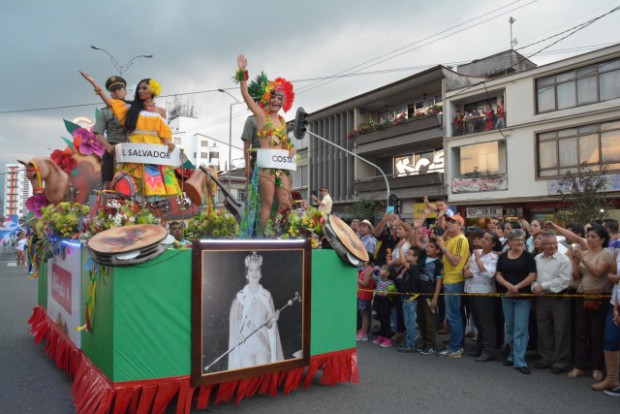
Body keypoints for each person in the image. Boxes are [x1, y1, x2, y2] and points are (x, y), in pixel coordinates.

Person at [80, 72, 181, 202]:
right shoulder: (130, 108)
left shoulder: (161, 111)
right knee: (129, 183)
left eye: (144, 88)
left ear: (153, 90)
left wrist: (169, 143)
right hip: (134, 151)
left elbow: (164, 132)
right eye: (139, 88)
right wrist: (94, 83)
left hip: (154, 152)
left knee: (156, 184)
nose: (140, 91)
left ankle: (156, 211)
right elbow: (110, 103)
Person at [236, 55, 296, 233]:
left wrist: (291, 149)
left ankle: (276, 232)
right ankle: (263, 237)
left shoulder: (283, 122)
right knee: (267, 203)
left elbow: (285, 145)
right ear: (268, 99)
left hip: (282, 167)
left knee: (284, 202)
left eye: (280, 98)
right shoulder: (260, 117)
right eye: (274, 98)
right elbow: (246, 95)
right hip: (266, 167)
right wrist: (241, 72)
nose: (276, 101)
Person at [568, 225, 613, 381]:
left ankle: (598, 367)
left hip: (598, 297)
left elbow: (598, 272)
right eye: (588, 236)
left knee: (596, 334)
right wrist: (574, 261)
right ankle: (579, 366)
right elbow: (576, 275)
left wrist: (582, 259)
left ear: (602, 239)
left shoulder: (606, 254)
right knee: (580, 333)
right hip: (581, 295)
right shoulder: (585, 253)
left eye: (594, 236)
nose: (590, 239)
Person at [228, 252, 284, 369]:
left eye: (257, 270)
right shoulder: (240, 297)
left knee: (263, 378)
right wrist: (237, 335)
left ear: (261, 273)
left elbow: (268, 325)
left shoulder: (266, 296)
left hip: (263, 346)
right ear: (246, 275)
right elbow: (235, 324)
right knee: (248, 380)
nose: (254, 273)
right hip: (245, 346)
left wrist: (273, 319)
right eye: (251, 270)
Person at [495, 229, 537, 375]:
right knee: (510, 328)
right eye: (517, 240)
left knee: (521, 329)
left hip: (523, 297)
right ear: (510, 242)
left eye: (522, 239)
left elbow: (532, 275)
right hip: (506, 295)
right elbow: (498, 274)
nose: (520, 242)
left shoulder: (528, 256)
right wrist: (509, 286)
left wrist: (517, 287)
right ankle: (513, 355)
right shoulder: (503, 256)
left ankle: (520, 360)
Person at [531, 232, 573, 374]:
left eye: (554, 243)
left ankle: (561, 361)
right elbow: (533, 277)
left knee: (561, 331)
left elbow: (564, 281)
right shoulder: (537, 258)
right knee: (544, 329)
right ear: (542, 245)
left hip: (559, 299)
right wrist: (535, 288)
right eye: (549, 243)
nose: (553, 246)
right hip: (541, 299)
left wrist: (543, 287)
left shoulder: (563, 260)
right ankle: (546, 357)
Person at [464, 231, 502, 362]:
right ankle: (479, 348)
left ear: (493, 244)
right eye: (483, 238)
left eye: (487, 239)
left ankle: (489, 351)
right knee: (478, 322)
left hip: (484, 293)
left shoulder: (493, 257)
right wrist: (465, 271)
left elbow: (489, 273)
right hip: (471, 290)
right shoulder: (476, 252)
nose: (483, 241)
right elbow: (466, 266)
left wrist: (479, 259)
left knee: (487, 324)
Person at [435, 214, 469, 358]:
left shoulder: (461, 239)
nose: (449, 223)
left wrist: (443, 248)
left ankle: (456, 348)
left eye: (453, 222)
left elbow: (455, 260)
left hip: (454, 280)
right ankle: (455, 345)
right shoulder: (452, 238)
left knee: (454, 316)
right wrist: (446, 233)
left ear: (460, 225)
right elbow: (440, 239)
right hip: (449, 280)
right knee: (453, 315)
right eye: (448, 221)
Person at [93, 76, 128, 189]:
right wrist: (108, 146)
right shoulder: (105, 112)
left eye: (119, 89)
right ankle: (106, 195)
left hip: (132, 149)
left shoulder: (134, 109)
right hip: (113, 148)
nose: (117, 91)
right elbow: (98, 133)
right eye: (114, 90)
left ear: (125, 91)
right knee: (108, 179)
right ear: (111, 94)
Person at [372, 265, 397, 348]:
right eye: (381, 268)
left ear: (388, 273)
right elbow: (372, 277)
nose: (380, 270)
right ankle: (382, 336)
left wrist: (389, 292)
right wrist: (373, 270)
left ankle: (388, 338)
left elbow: (395, 292)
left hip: (385, 302)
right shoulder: (379, 278)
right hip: (378, 299)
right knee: (380, 319)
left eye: (383, 269)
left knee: (385, 320)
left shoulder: (391, 282)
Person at [357, 263, 375, 342]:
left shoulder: (368, 269)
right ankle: (362, 331)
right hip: (362, 294)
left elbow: (365, 283)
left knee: (364, 314)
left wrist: (356, 278)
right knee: (362, 313)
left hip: (365, 295)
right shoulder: (365, 268)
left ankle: (364, 334)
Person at [241, 115, 260, 179]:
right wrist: (247, 165)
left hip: (275, 162)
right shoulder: (252, 120)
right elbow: (246, 143)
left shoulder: (279, 120)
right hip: (258, 161)